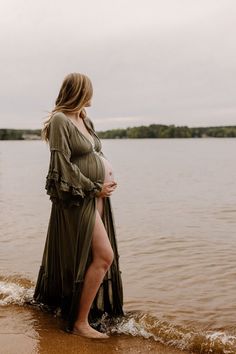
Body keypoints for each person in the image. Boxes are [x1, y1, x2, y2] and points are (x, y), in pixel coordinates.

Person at [33, 72, 124, 339]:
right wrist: (95, 185)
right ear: (79, 91)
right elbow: (61, 165)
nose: (92, 95)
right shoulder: (61, 120)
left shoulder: (84, 118)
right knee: (104, 256)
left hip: (95, 196)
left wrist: (106, 180)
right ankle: (79, 323)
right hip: (77, 197)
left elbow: (95, 152)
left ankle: (78, 311)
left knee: (88, 256)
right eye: (89, 90)